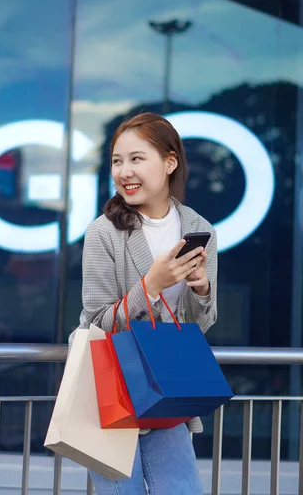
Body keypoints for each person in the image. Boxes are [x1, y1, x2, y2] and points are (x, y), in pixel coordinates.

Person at [74, 112, 218, 494]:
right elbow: (97, 323)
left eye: (137, 159)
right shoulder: (103, 232)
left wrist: (201, 290)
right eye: (117, 161)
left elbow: (200, 325)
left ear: (170, 162)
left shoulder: (198, 229)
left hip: (165, 390)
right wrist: (150, 286)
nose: (124, 172)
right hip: (110, 391)